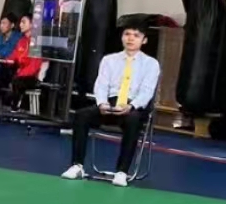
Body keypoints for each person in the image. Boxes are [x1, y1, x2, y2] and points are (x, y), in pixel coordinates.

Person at [62, 23, 160, 187]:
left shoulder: (151, 64)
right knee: (81, 115)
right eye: (127, 34)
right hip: (110, 103)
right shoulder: (109, 60)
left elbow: (147, 91)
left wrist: (131, 106)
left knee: (133, 120)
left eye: (136, 35)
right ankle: (77, 165)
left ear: (144, 40)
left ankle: (122, 171)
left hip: (134, 106)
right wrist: (102, 103)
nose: (130, 38)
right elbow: (101, 85)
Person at [0, 0, 43, 116]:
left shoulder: (36, 42)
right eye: (20, 22)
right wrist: (3, 61)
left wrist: (18, 74)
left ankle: (13, 109)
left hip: (29, 77)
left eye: (24, 22)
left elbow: (34, 67)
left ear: (32, 24)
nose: (21, 25)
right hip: (17, 73)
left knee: (16, 81)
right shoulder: (22, 41)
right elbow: (13, 58)